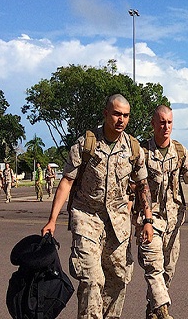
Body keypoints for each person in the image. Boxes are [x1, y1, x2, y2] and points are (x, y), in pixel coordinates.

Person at [41, 94, 154, 319]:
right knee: (92, 279)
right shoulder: (86, 144)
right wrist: (52, 220)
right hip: (87, 218)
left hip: (119, 223)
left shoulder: (133, 148)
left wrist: (148, 220)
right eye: (116, 114)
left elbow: (142, 185)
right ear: (105, 114)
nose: (121, 119)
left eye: (126, 115)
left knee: (119, 279)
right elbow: (67, 181)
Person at [135, 105, 188, 319]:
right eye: (161, 122)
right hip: (149, 220)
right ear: (153, 124)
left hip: (173, 221)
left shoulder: (179, 151)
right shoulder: (143, 152)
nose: (166, 126)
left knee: (168, 270)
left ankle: (153, 310)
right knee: (153, 267)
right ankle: (164, 313)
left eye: (169, 122)